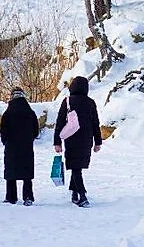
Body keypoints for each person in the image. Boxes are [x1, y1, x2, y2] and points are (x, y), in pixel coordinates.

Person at [54, 76, 102, 208]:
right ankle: (75, 193)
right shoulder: (90, 103)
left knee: (75, 168)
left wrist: (57, 142)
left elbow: (60, 122)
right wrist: (98, 142)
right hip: (86, 139)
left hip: (71, 139)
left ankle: (82, 196)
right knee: (77, 166)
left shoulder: (67, 101)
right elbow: (95, 123)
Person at [0, 88, 39, 206]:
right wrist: (29, 139)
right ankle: (28, 197)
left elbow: (3, 130)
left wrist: (5, 141)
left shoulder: (8, 112)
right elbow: (36, 130)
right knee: (26, 172)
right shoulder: (30, 112)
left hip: (11, 147)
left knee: (11, 171)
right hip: (26, 146)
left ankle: (11, 197)